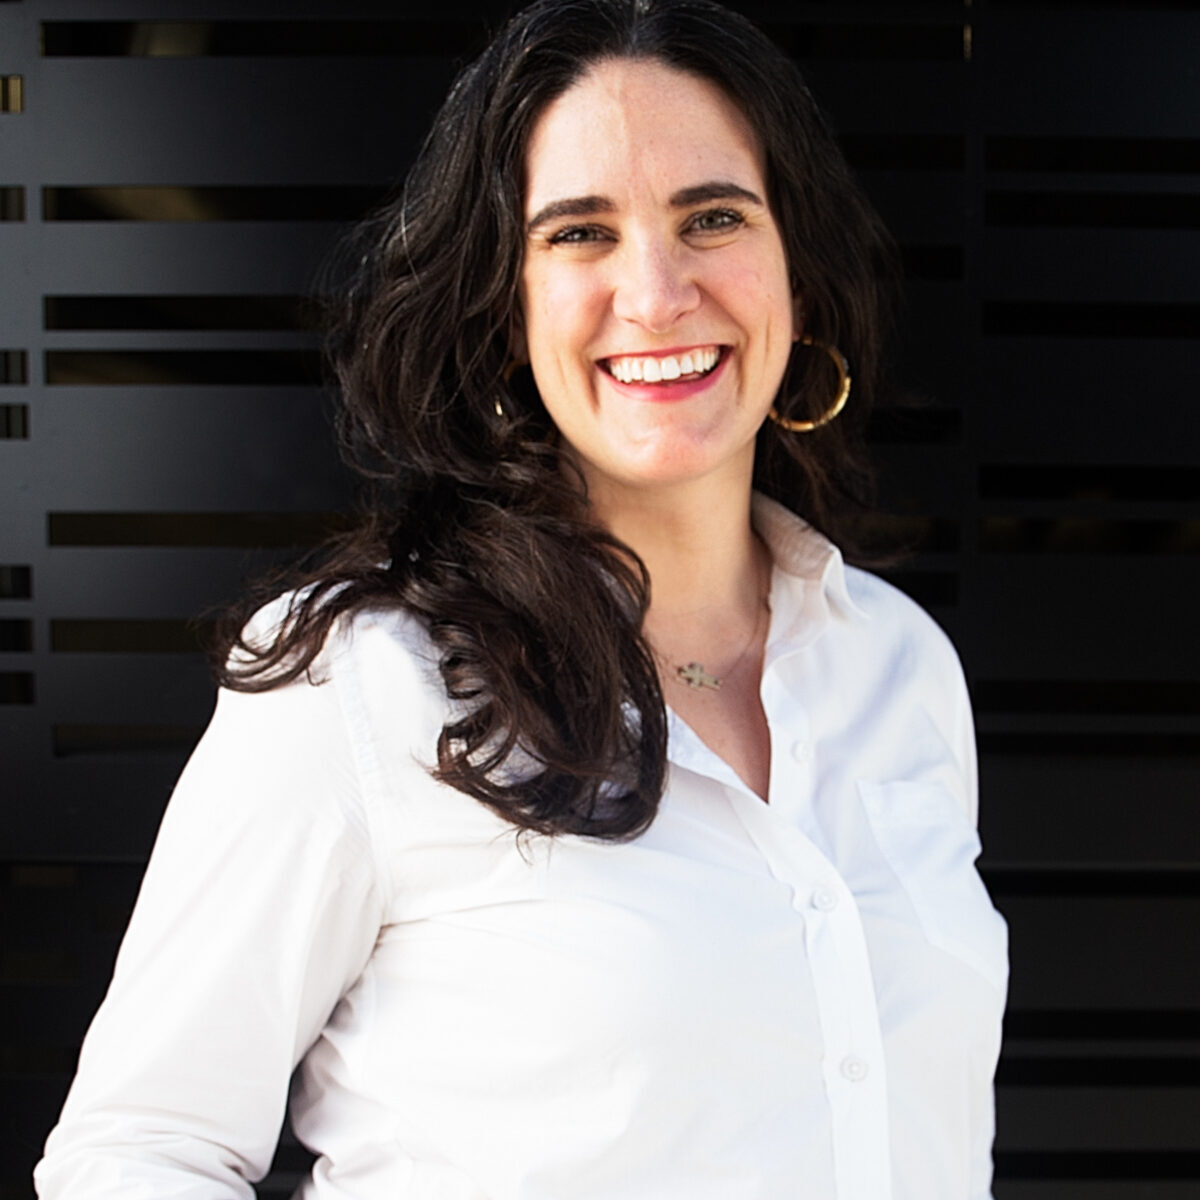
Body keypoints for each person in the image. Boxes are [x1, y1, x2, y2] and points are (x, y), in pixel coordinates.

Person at [35, 0, 1008, 1196]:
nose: (656, 293)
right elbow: (139, 1150)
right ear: (504, 309)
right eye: (579, 235)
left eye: (712, 218)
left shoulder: (900, 667)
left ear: (794, 268)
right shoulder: (367, 679)